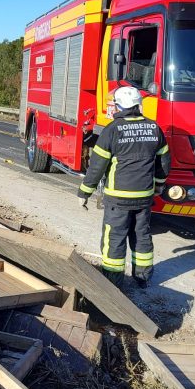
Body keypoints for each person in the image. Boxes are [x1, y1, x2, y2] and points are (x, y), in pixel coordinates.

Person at [77, 87, 170, 287]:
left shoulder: (112, 130)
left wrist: (84, 192)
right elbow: (164, 162)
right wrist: (159, 185)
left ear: (118, 106)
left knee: (115, 239)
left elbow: (97, 166)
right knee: (142, 235)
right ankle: (143, 278)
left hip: (117, 199)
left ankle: (113, 281)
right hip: (144, 196)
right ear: (138, 105)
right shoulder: (154, 128)